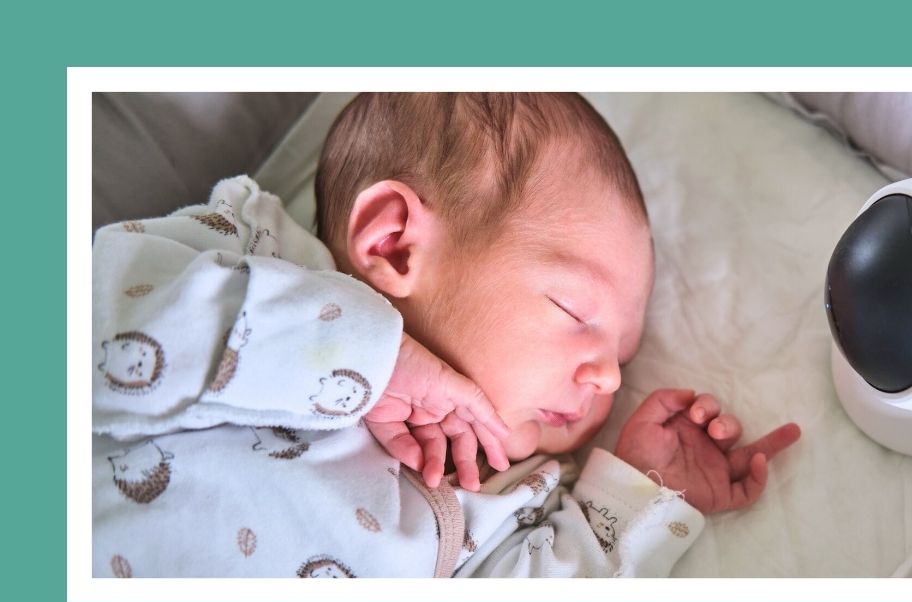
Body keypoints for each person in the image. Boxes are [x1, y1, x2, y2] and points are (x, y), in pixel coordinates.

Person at [92, 93, 800, 577]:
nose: (610, 379)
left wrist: (640, 494)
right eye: (575, 313)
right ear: (397, 245)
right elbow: (97, 323)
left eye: (621, 356)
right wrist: (371, 356)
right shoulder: (250, 254)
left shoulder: (504, 506)